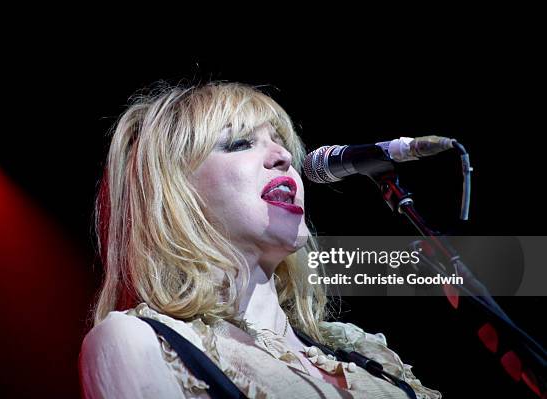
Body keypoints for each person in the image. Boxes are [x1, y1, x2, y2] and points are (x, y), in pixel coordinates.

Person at [79, 82, 441, 398]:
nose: (283, 156)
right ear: (173, 191)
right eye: (239, 142)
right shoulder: (141, 344)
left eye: (281, 143)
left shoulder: (366, 357)